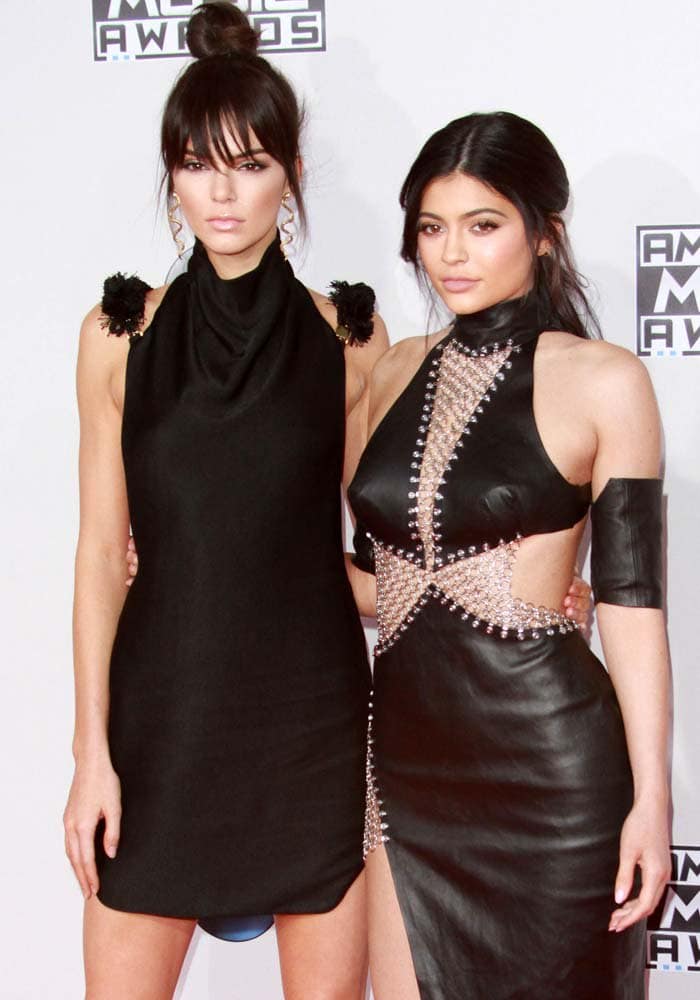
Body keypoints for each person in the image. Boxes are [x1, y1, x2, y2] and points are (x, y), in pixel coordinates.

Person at [62, 4, 390, 998]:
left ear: (290, 172)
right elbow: (95, 558)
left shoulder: (348, 339)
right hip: (160, 724)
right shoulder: (117, 336)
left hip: (310, 730)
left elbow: (382, 564)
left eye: (250, 163)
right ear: (171, 172)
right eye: (201, 163)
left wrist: (515, 594)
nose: (224, 190)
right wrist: (91, 755)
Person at [347, 111, 671, 999]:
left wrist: (652, 799)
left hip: (552, 779)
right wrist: (202, 560)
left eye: (483, 224)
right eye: (432, 226)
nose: (452, 252)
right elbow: (370, 586)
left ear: (543, 232)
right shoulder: (389, 373)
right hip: (408, 777)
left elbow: (634, 605)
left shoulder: (607, 380)